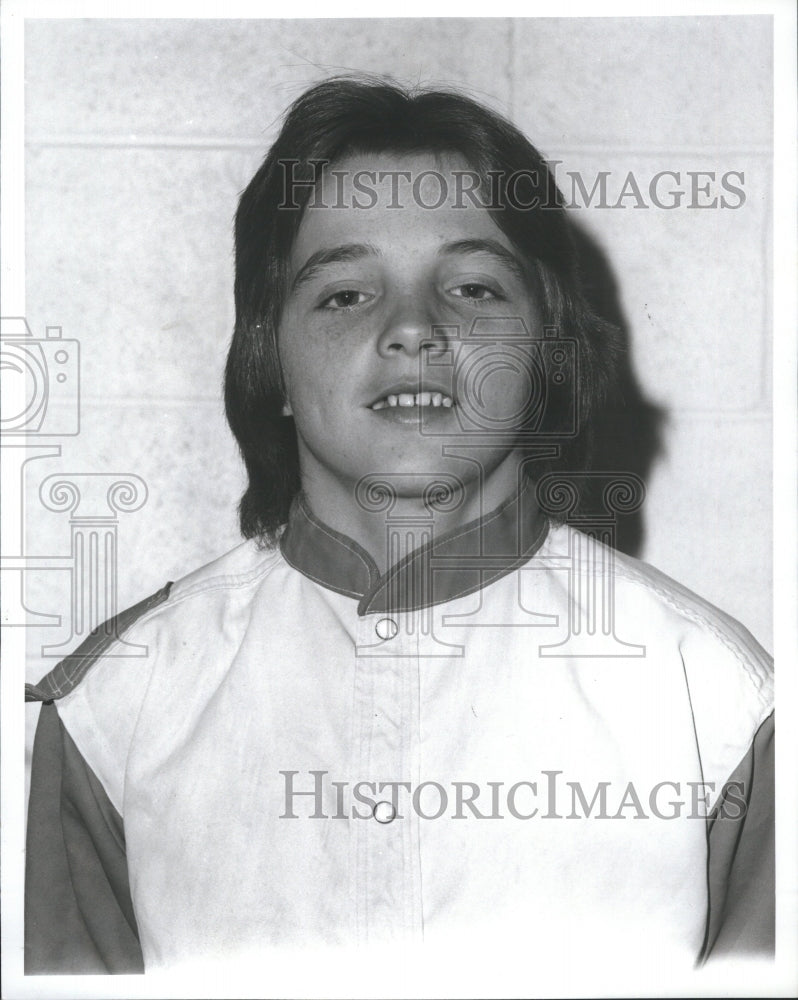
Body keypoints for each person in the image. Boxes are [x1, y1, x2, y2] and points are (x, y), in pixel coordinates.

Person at [24, 77, 774, 976]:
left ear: (546, 345)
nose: (414, 328)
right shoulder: (117, 710)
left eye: (472, 287)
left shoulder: (723, 707)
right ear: (273, 358)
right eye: (344, 294)